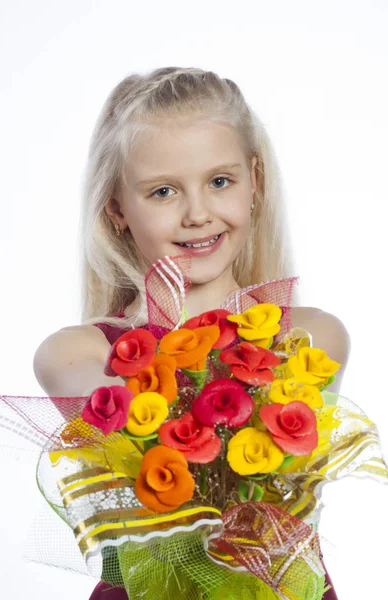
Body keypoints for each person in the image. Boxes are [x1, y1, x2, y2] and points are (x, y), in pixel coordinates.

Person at [33, 67, 346, 599]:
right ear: (117, 210)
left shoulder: (311, 337)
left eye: (219, 181)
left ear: (256, 182)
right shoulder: (79, 353)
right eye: (162, 192)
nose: (198, 214)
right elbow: (155, 467)